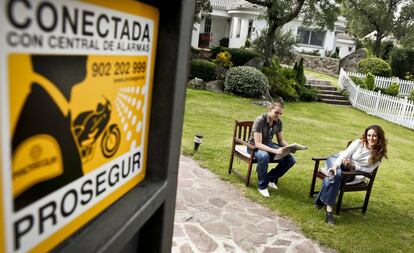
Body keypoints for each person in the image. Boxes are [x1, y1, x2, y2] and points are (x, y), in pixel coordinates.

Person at [314, 125, 388, 225]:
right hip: (336, 159)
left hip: (350, 171)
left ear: (379, 137)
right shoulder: (358, 143)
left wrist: (352, 166)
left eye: (374, 136)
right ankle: (329, 212)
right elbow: (343, 155)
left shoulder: (379, 154)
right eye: (369, 135)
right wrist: (335, 166)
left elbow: (368, 170)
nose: (371, 138)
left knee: (333, 177)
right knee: (336, 175)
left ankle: (320, 200)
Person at [248, 101, 296, 197]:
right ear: (270, 110)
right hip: (254, 147)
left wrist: (289, 147)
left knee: (290, 159)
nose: (278, 115)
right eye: (276, 112)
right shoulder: (260, 120)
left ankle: (270, 178)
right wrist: (275, 151)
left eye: (280, 113)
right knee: (264, 156)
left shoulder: (278, 122)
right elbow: (258, 144)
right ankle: (262, 186)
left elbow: (281, 141)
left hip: (269, 145)